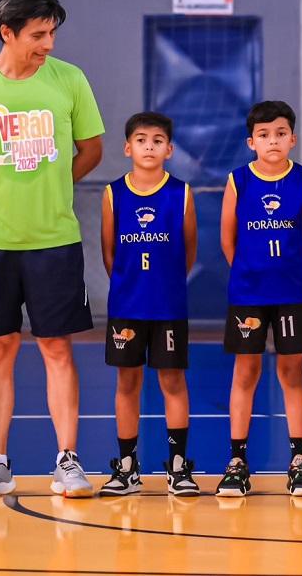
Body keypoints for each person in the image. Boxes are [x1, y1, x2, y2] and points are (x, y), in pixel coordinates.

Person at [0, 0, 104, 499]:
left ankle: (67, 461)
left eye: (53, 32)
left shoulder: (70, 80)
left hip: (54, 240)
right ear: (7, 32)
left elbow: (91, 149)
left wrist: (50, 187)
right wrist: (2, 193)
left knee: (57, 347)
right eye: (38, 34)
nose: (49, 45)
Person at [216, 100, 302, 497]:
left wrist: (285, 271)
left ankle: (298, 460)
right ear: (251, 141)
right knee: (246, 373)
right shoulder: (238, 180)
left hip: (291, 291)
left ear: (292, 138)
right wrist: (250, 271)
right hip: (248, 293)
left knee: (292, 373)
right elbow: (228, 240)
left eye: (280, 133)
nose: (272, 140)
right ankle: (238, 461)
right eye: (264, 135)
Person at [98, 112, 199, 497]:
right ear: (128, 148)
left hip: (169, 306)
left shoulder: (181, 193)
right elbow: (110, 253)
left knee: (173, 381)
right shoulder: (113, 194)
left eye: (158, 140)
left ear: (169, 150)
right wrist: (130, 284)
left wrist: (167, 282)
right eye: (141, 140)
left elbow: (189, 249)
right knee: (128, 382)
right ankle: (127, 467)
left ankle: (177, 466)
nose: (149, 146)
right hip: (127, 306)